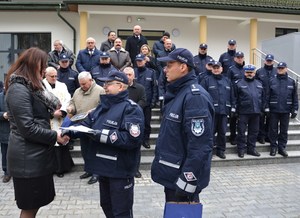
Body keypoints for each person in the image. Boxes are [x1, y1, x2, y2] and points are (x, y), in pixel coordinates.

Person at [62, 70, 145, 217]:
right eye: (104, 83)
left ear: (120, 86)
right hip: (102, 168)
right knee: (106, 206)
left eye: (108, 83)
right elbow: (86, 125)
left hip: (120, 171)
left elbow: (131, 139)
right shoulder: (102, 107)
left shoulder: (131, 108)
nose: (104, 86)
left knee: (121, 212)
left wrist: (99, 135)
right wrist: (68, 132)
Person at [4, 47, 69, 218]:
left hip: (36, 156)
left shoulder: (32, 88)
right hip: (27, 159)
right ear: (33, 64)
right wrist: (55, 136)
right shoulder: (18, 89)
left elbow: (35, 114)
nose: (45, 69)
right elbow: (27, 127)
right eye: (43, 65)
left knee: (36, 204)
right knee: (29, 207)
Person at [151, 48, 214, 203]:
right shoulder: (178, 93)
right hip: (173, 175)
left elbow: (200, 146)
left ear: (183, 67)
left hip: (182, 181)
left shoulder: (194, 98)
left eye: (169, 64)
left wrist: (187, 180)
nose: (165, 69)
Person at [67, 71, 105, 185]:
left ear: (91, 80)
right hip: (81, 125)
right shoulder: (77, 91)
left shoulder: (100, 90)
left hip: (95, 126)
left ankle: (96, 173)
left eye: (84, 84)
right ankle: (88, 170)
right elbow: (73, 102)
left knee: (94, 150)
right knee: (85, 150)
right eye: (80, 84)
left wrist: (94, 111)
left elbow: (104, 107)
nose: (82, 86)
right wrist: (71, 108)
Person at [43, 67, 74, 178]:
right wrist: (52, 113)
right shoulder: (41, 86)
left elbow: (67, 99)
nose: (55, 78)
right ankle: (51, 168)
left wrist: (62, 111)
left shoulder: (62, 85)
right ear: (45, 75)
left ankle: (62, 167)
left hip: (61, 117)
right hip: (47, 119)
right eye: (52, 76)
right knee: (50, 142)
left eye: (56, 76)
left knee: (61, 140)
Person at [266, 62, 298, 157]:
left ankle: (281, 148)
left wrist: (295, 109)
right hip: (274, 110)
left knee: (284, 130)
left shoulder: (291, 81)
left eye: (282, 68)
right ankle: (273, 147)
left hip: (286, 110)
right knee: (273, 130)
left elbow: (294, 97)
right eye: (279, 68)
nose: (280, 69)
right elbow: (267, 96)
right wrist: (266, 108)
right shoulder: (272, 80)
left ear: (286, 69)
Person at [200, 61, 232, 159]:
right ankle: (209, 151)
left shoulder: (227, 81)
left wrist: (232, 109)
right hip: (211, 112)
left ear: (221, 69)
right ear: (212, 69)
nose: (216, 69)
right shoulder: (206, 80)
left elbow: (232, 96)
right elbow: (202, 96)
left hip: (223, 112)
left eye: (218, 68)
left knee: (222, 132)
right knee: (210, 132)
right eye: (214, 68)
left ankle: (221, 150)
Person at [231, 64, 263, 158]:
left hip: (256, 112)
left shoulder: (259, 84)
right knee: (241, 132)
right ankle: (241, 150)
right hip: (243, 112)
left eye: (251, 72)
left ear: (254, 73)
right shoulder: (238, 83)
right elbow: (234, 98)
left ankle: (251, 149)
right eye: (247, 72)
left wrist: (262, 109)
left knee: (254, 132)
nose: (249, 74)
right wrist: (234, 109)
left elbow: (263, 97)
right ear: (244, 72)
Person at [123, 67, 147, 178]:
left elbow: (143, 100)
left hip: (135, 121)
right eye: (125, 74)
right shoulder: (120, 88)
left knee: (136, 146)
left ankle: (136, 169)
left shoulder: (140, 88)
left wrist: (133, 108)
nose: (127, 77)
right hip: (122, 120)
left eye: (129, 74)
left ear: (133, 75)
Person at [134, 54, 158, 149]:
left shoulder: (151, 72)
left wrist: (153, 101)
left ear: (145, 61)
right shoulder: (133, 72)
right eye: (138, 61)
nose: (139, 62)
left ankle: (146, 140)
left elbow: (154, 88)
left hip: (147, 103)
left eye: (141, 60)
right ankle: (136, 140)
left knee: (147, 124)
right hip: (135, 103)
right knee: (135, 123)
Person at [255, 54, 277, 144]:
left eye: (270, 61)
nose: (269, 62)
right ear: (264, 61)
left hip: (272, 99)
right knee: (261, 118)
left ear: (273, 61)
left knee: (270, 119)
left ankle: (268, 136)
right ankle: (261, 136)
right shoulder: (259, 71)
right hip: (261, 98)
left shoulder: (276, 71)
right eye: (267, 60)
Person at [227, 51, 245, 145]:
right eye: (238, 57)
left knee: (243, 119)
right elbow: (228, 83)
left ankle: (241, 137)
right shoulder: (231, 70)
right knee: (233, 119)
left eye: (241, 57)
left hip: (244, 98)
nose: (239, 58)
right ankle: (232, 136)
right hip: (234, 96)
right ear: (235, 59)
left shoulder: (246, 69)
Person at [0, 87, 11, 183]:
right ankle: (6, 172)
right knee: (5, 152)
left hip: (18, 130)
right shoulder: (0, 97)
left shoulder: (17, 95)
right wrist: (3, 115)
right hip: (5, 129)